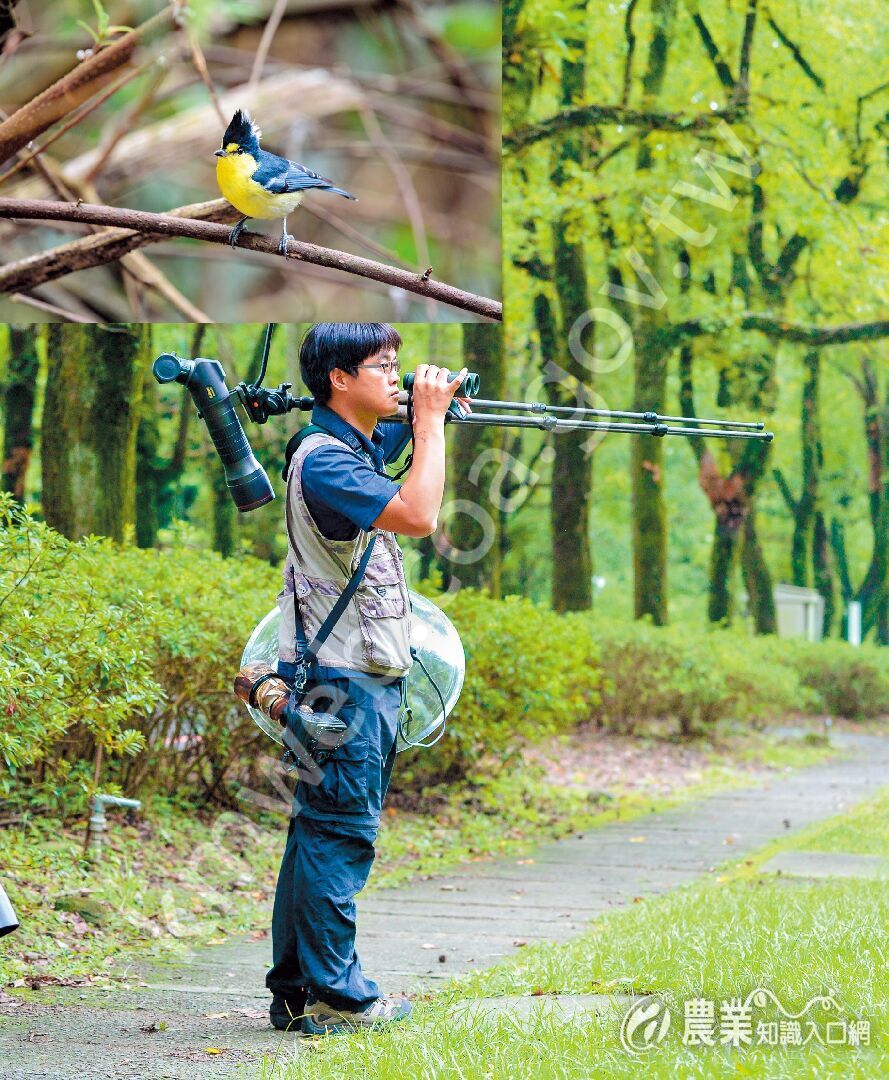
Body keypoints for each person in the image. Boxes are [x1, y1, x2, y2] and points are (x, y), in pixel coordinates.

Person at [265, 323, 468, 1035]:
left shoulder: (339, 449)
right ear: (339, 380)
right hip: (345, 685)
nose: (396, 375)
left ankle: (294, 988)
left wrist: (421, 415)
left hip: (340, 677)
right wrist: (433, 423)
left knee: (313, 832)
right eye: (382, 367)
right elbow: (417, 513)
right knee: (338, 835)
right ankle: (336, 995)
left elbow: (393, 463)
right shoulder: (326, 464)